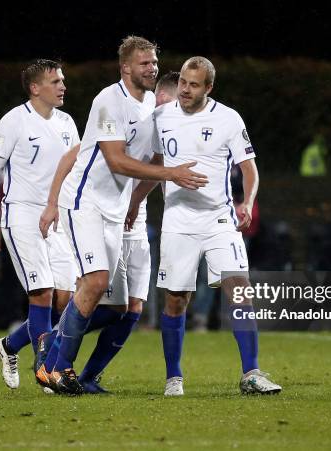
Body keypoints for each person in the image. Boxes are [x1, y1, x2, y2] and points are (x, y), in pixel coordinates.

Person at [37, 37, 207, 395]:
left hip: (115, 211)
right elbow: (115, 159)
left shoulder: (155, 108)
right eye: (144, 63)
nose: (152, 68)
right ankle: (56, 370)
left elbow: (156, 160)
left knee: (116, 307)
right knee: (95, 282)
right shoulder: (108, 101)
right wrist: (172, 175)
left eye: (155, 62)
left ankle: (50, 354)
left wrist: (133, 202)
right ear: (126, 67)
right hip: (84, 203)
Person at [127, 56, 282, 396]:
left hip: (219, 218)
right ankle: (173, 377)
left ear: (208, 88)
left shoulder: (228, 118)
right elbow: (157, 163)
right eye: (182, 81)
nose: (184, 89)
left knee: (239, 290)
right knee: (176, 299)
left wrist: (247, 203)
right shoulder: (161, 116)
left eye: (193, 84)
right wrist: (137, 199)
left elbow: (250, 169)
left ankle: (251, 373)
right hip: (178, 221)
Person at [0, 59, 80, 390]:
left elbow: (74, 173)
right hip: (21, 215)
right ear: (35, 88)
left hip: (58, 218)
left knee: (67, 299)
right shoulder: (13, 121)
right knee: (42, 292)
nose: (63, 86)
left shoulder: (67, 123)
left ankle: (9, 346)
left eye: (62, 80)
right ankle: (46, 369)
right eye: (55, 81)